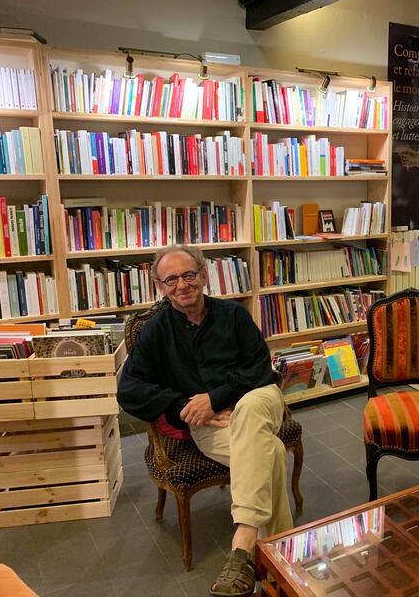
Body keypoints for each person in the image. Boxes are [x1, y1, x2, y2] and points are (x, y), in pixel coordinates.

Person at [117, 245, 293, 597]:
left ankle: (243, 542)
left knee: (252, 409)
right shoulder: (156, 332)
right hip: (210, 424)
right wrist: (182, 404)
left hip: (257, 401)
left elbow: (259, 368)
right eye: (171, 279)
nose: (182, 285)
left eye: (189, 275)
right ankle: (278, 555)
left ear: (204, 275)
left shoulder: (234, 315)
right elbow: (130, 390)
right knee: (270, 452)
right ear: (160, 287)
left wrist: (215, 398)